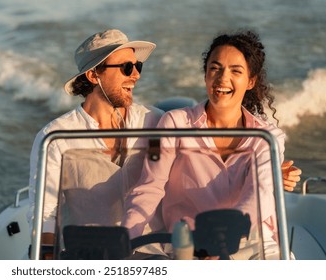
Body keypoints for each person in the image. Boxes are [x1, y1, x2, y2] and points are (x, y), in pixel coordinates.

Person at [122, 30, 290, 259]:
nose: (222, 78)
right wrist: (125, 242)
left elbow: (258, 195)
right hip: (188, 243)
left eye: (235, 71)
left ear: (251, 81)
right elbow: (150, 187)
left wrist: (222, 237)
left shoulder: (268, 137)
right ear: (205, 75)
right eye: (215, 68)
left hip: (251, 241)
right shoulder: (174, 122)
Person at [26, 29, 164, 253]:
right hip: (90, 253)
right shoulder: (56, 137)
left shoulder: (156, 121)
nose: (136, 75)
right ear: (93, 76)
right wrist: (48, 258)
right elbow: (45, 213)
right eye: (126, 68)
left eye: (137, 66)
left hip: (151, 252)